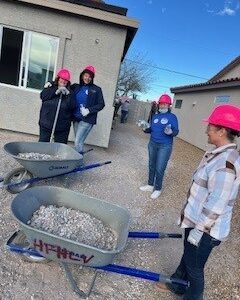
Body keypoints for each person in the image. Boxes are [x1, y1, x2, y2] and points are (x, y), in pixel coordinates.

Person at [156, 104, 240, 300]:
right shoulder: (218, 153)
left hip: (206, 228)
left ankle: (193, 297)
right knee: (188, 254)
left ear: (222, 130)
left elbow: (217, 203)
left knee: (195, 269)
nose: (206, 130)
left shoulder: (226, 164)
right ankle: (178, 284)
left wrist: (199, 229)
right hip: (197, 220)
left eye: (210, 127)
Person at [140, 94, 179, 199]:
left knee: (160, 168)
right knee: (151, 165)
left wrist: (171, 132)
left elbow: (176, 131)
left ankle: (158, 189)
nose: (163, 106)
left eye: (165, 104)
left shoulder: (172, 117)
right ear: (159, 105)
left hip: (165, 146)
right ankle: (150, 185)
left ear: (169, 105)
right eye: (161, 104)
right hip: (152, 143)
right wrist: (145, 128)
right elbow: (151, 129)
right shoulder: (155, 116)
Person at [72, 65, 105, 153]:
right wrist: (51, 83)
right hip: (76, 118)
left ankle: (78, 162)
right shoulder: (76, 87)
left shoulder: (96, 89)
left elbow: (101, 104)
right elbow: (63, 83)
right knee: (79, 141)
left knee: (77, 142)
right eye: (86, 75)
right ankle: (79, 158)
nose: (87, 78)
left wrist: (89, 110)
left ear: (92, 78)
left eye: (90, 76)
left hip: (87, 120)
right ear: (82, 75)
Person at [38, 69, 75, 144]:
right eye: (62, 78)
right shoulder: (50, 87)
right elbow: (43, 96)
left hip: (62, 127)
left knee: (60, 148)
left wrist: (68, 94)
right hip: (46, 123)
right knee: (42, 146)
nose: (63, 81)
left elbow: (72, 106)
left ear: (68, 82)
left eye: (66, 80)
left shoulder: (70, 92)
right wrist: (55, 92)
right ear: (58, 78)